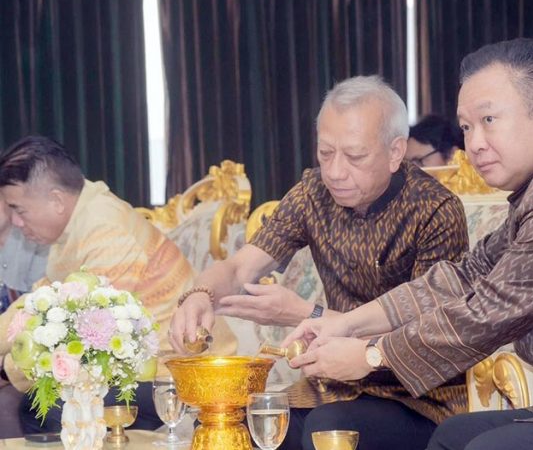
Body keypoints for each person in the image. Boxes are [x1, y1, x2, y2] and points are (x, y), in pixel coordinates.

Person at [169, 75, 470, 450]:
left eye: (355, 157)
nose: (335, 172)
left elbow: (430, 336)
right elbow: (239, 268)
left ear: (396, 152)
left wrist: (306, 314)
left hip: (418, 398)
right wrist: (200, 294)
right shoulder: (313, 193)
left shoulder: (435, 210)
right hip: (332, 387)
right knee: (241, 423)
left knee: (326, 429)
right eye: (325, 153)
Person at [284, 37, 533, 450]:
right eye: (466, 127)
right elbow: (461, 278)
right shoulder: (523, 206)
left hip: (424, 399)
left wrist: (371, 354)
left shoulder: (435, 205)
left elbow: (484, 314)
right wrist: (346, 324)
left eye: (489, 119)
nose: (474, 143)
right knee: (454, 438)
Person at [0, 136, 236, 433]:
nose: (16, 222)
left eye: (19, 209)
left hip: (185, 374)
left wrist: (6, 370)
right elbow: (39, 303)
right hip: (140, 373)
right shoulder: (77, 225)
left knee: (46, 408)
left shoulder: (106, 228)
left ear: (57, 201)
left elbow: (83, 332)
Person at [0, 197, 48, 438]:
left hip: (29, 358)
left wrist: (4, 370)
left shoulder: (39, 238)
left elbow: (45, 318)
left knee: (5, 405)